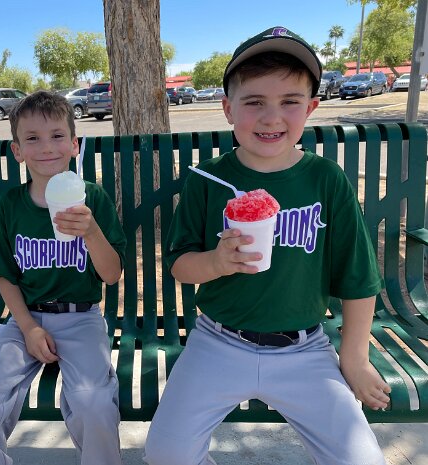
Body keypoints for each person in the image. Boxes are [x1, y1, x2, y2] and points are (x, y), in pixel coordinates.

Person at [144, 26, 391, 465]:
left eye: (290, 102)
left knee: (362, 461)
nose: (271, 117)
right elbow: (180, 264)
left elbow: (358, 277)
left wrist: (354, 357)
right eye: (254, 101)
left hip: (305, 349)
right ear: (228, 109)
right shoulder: (208, 180)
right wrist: (217, 262)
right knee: (166, 453)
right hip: (218, 341)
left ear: (311, 108)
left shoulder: (325, 179)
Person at [0, 90, 126, 465]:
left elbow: (112, 274)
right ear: (17, 150)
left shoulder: (93, 199)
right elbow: (5, 275)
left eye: (57, 136)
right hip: (25, 319)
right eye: (32, 138)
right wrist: (29, 328)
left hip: (81, 317)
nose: (47, 147)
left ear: (74, 145)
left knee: (94, 404)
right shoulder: (12, 205)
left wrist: (91, 232)